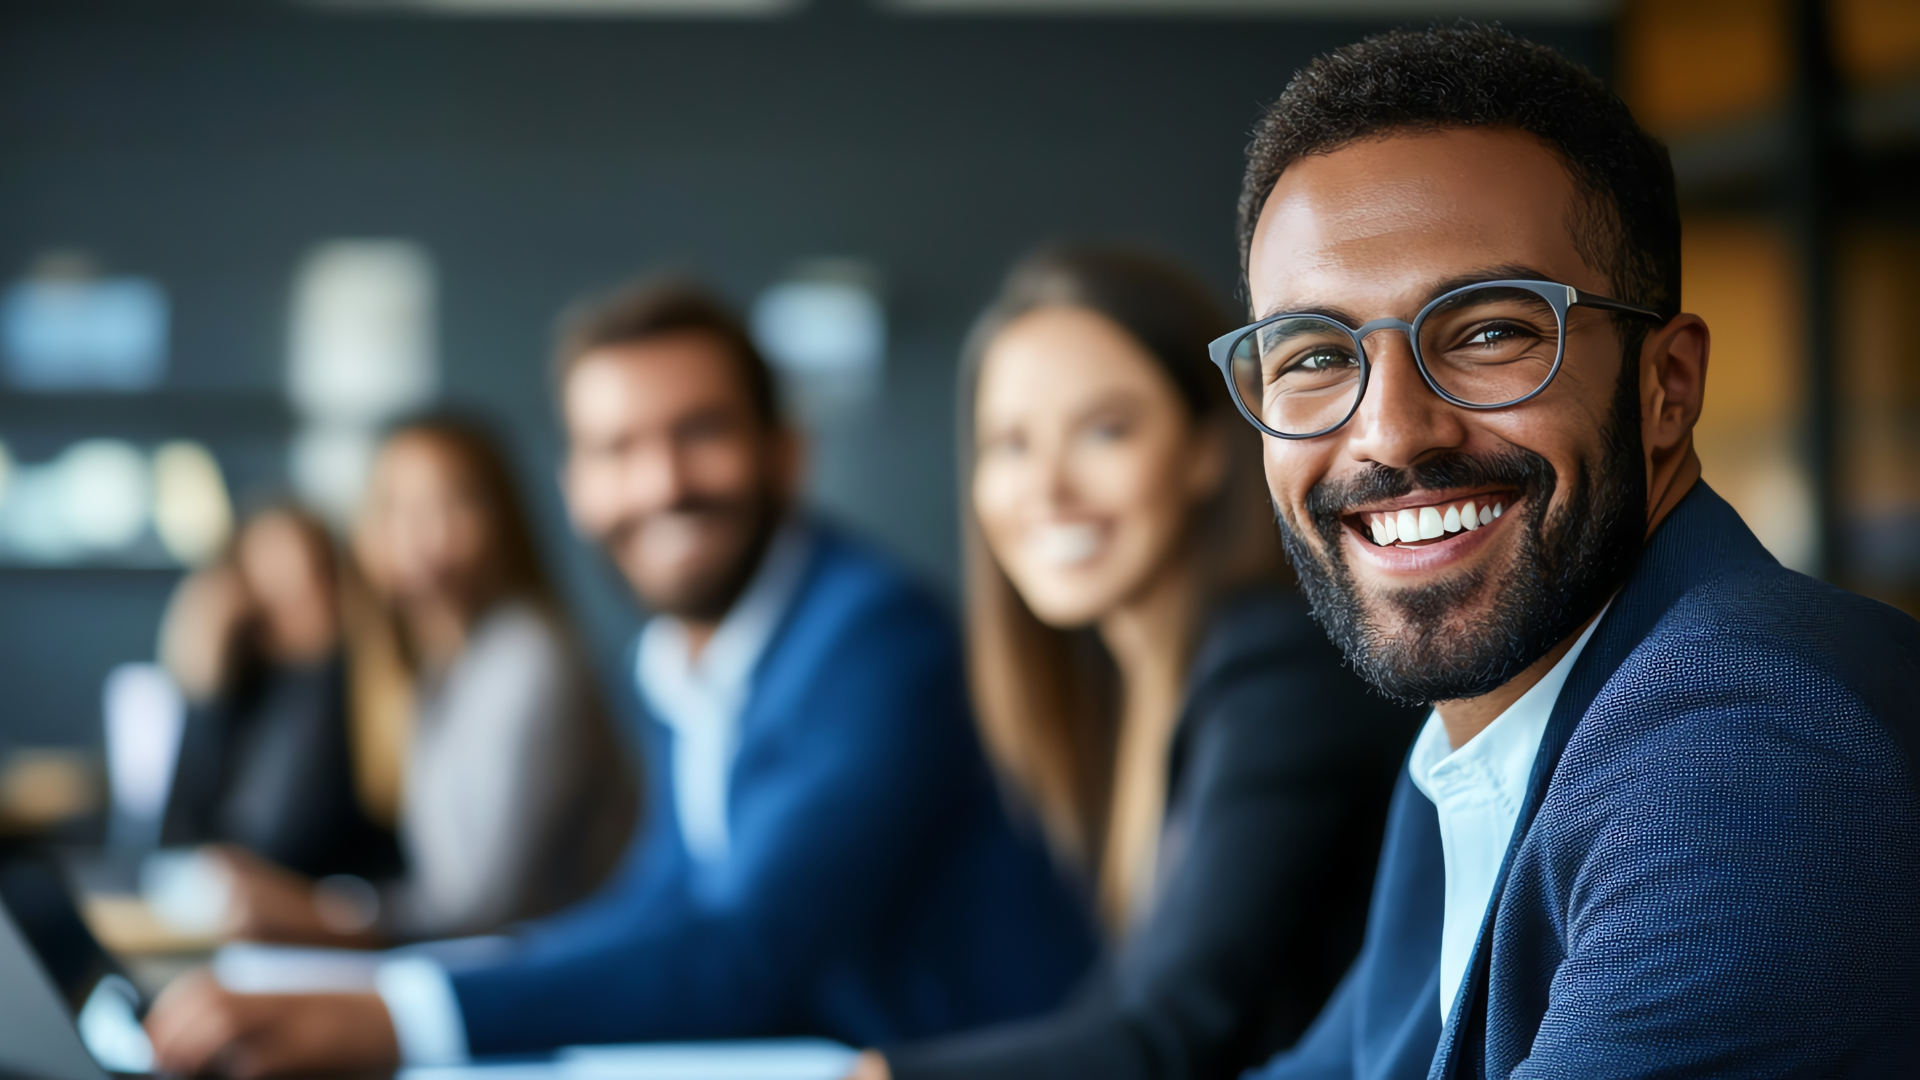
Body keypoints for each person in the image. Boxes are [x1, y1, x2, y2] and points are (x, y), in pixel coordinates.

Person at [143, 279, 1096, 1078]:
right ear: (574, 487)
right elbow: (659, 905)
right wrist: (381, 987)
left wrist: (397, 1015)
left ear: (786, 452)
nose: (660, 483)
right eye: (617, 450)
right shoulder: (684, 659)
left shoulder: (875, 638)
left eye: (700, 432)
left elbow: (745, 948)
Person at [1210, 25, 1920, 1079]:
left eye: (1490, 331)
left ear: (1666, 387)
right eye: (1314, 355)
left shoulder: (1749, 752)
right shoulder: (1490, 733)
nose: (1393, 433)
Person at [851, 247, 1420, 1080]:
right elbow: (1117, 1007)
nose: (1046, 487)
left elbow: (1169, 1036)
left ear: (1204, 451)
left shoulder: (1281, 668)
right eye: (1009, 444)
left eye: (1104, 430)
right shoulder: (1144, 685)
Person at [209, 416, 639, 946]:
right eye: (396, 509)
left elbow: (480, 906)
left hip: (538, 976)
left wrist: (318, 915)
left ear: (503, 517)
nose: (424, 534)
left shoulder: (527, 659)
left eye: (454, 502)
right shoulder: (440, 665)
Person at [159, 504, 399, 882]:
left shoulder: (358, 676)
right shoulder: (250, 682)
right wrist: (206, 689)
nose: (295, 587)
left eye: (310, 569)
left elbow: (286, 839)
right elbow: (181, 822)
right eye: (273, 570)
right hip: (237, 895)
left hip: (326, 901)